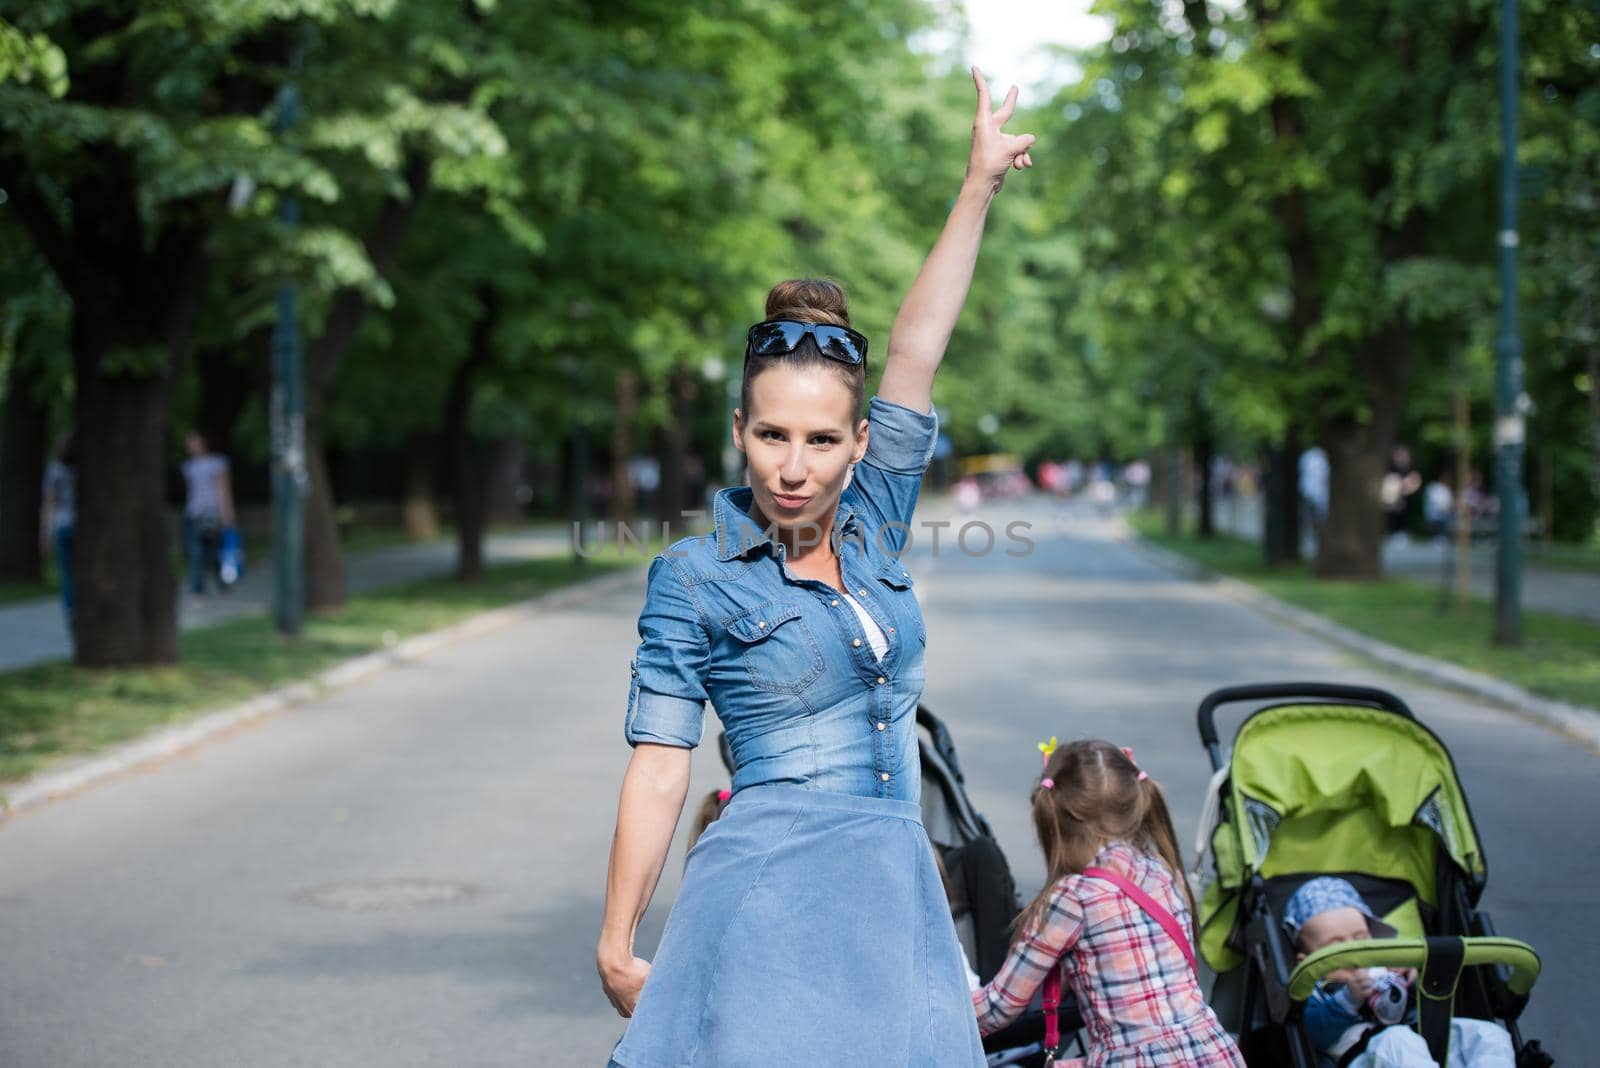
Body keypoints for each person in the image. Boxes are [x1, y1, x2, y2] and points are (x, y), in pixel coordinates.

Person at [596, 68, 1035, 1066]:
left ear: (856, 442)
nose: (793, 468)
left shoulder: (875, 524)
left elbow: (917, 352)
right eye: (772, 436)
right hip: (761, 905)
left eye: (822, 441)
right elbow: (662, 763)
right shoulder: (695, 577)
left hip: (893, 896)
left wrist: (976, 187)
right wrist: (617, 938)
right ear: (738, 429)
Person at [972, 740, 1243, 1067]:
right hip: (1210, 1053)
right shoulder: (1165, 873)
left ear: (1053, 822)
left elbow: (998, 1008)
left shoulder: (1072, 898)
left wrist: (927, 1015)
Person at [1284, 877, 1515, 1068]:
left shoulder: (1387, 965)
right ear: (1306, 960)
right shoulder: (1312, 988)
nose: (1353, 951)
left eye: (1360, 938)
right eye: (1336, 947)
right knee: (1397, 1041)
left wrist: (1412, 982)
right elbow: (1312, 1033)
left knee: (1487, 1035)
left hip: (1421, 1046)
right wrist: (1348, 999)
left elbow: (1423, 1011)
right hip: (1361, 1058)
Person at [181, 431, 235, 598]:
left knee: (214, 552)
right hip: (193, 513)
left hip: (212, 513)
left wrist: (227, 512)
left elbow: (224, 490)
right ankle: (197, 590)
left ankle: (222, 582)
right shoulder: (188, 466)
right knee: (195, 553)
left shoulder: (217, 463)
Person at [39, 431, 77, 625]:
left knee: (67, 574)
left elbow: (49, 504)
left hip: (63, 524)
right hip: (81, 526)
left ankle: (72, 612)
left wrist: (45, 532)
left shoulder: (55, 470)